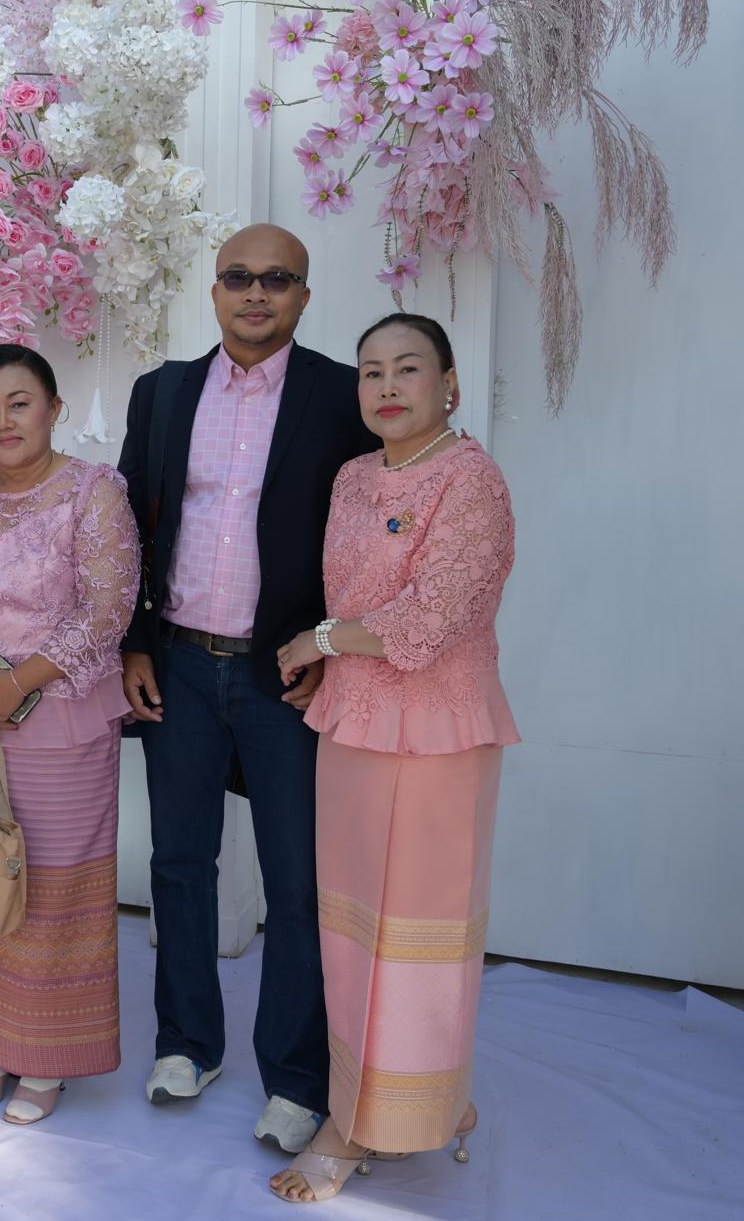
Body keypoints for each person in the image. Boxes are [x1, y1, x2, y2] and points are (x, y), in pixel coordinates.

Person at [117, 223, 375, 1151]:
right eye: (238, 276)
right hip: (180, 664)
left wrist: (334, 649)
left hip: (286, 673)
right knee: (179, 863)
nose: (255, 292)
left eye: (277, 278)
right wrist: (134, 643)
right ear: (214, 289)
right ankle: (188, 1042)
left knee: (298, 881)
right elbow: (130, 527)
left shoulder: (342, 397)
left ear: (304, 294)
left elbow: (370, 536)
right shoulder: (163, 391)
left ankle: (297, 1078)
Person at [267, 312, 518, 1203]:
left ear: (449, 383)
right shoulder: (354, 476)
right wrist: (325, 661)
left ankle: (375, 1120)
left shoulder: (472, 480)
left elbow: (428, 618)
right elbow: (354, 597)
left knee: (417, 939)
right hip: (354, 727)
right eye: (370, 370)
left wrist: (319, 639)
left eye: (407, 368)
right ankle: (385, 1102)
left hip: (437, 734)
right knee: (351, 930)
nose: (386, 386)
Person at [0, 345, 139, 1125]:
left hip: (64, 719)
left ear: (54, 409)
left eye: (20, 402)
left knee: (51, 889)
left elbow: (107, 609)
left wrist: (20, 682)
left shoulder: (93, 489)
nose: (3, 420)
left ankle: (48, 1054)